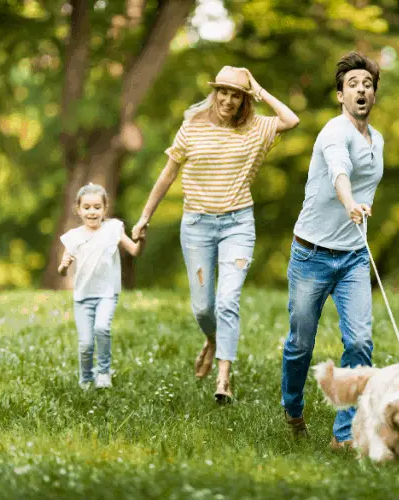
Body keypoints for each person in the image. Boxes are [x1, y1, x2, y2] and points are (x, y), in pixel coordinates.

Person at [132, 66, 299, 403]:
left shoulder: (256, 129)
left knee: (227, 301)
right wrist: (144, 217)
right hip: (197, 227)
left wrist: (259, 88)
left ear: (243, 99)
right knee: (202, 308)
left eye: (236, 94)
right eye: (223, 91)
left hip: (238, 225)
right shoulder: (191, 127)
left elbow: (291, 120)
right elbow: (167, 175)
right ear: (214, 93)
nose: (227, 99)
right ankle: (212, 338)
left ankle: (223, 378)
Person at [280, 52, 383, 449]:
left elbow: (366, 183)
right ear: (340, 94)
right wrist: (349, 202)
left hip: (354, 255)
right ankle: (293, 407)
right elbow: (340, 171)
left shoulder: (378, 141)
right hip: (312, 254)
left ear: (374, 95)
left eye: (368, 84)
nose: (361, 89)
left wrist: (363, 207)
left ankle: (345, 434)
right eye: (353, 84)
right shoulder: (332, 133)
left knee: (359, 342)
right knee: (300, 343)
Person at [58, 183, 146, 389]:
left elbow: (134, 251)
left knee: (102, 328)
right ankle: (86, 378)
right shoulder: (74, 236)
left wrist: (142, 239)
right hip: (82, 296)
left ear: (105, 209)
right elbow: (61, 271)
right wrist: (64, 265)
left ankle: (104, 372)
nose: (92, 212)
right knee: (86, 344)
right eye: (87, 207)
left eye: (97, 207)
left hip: (107, 293)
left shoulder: (113, 229)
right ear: (78, 209)